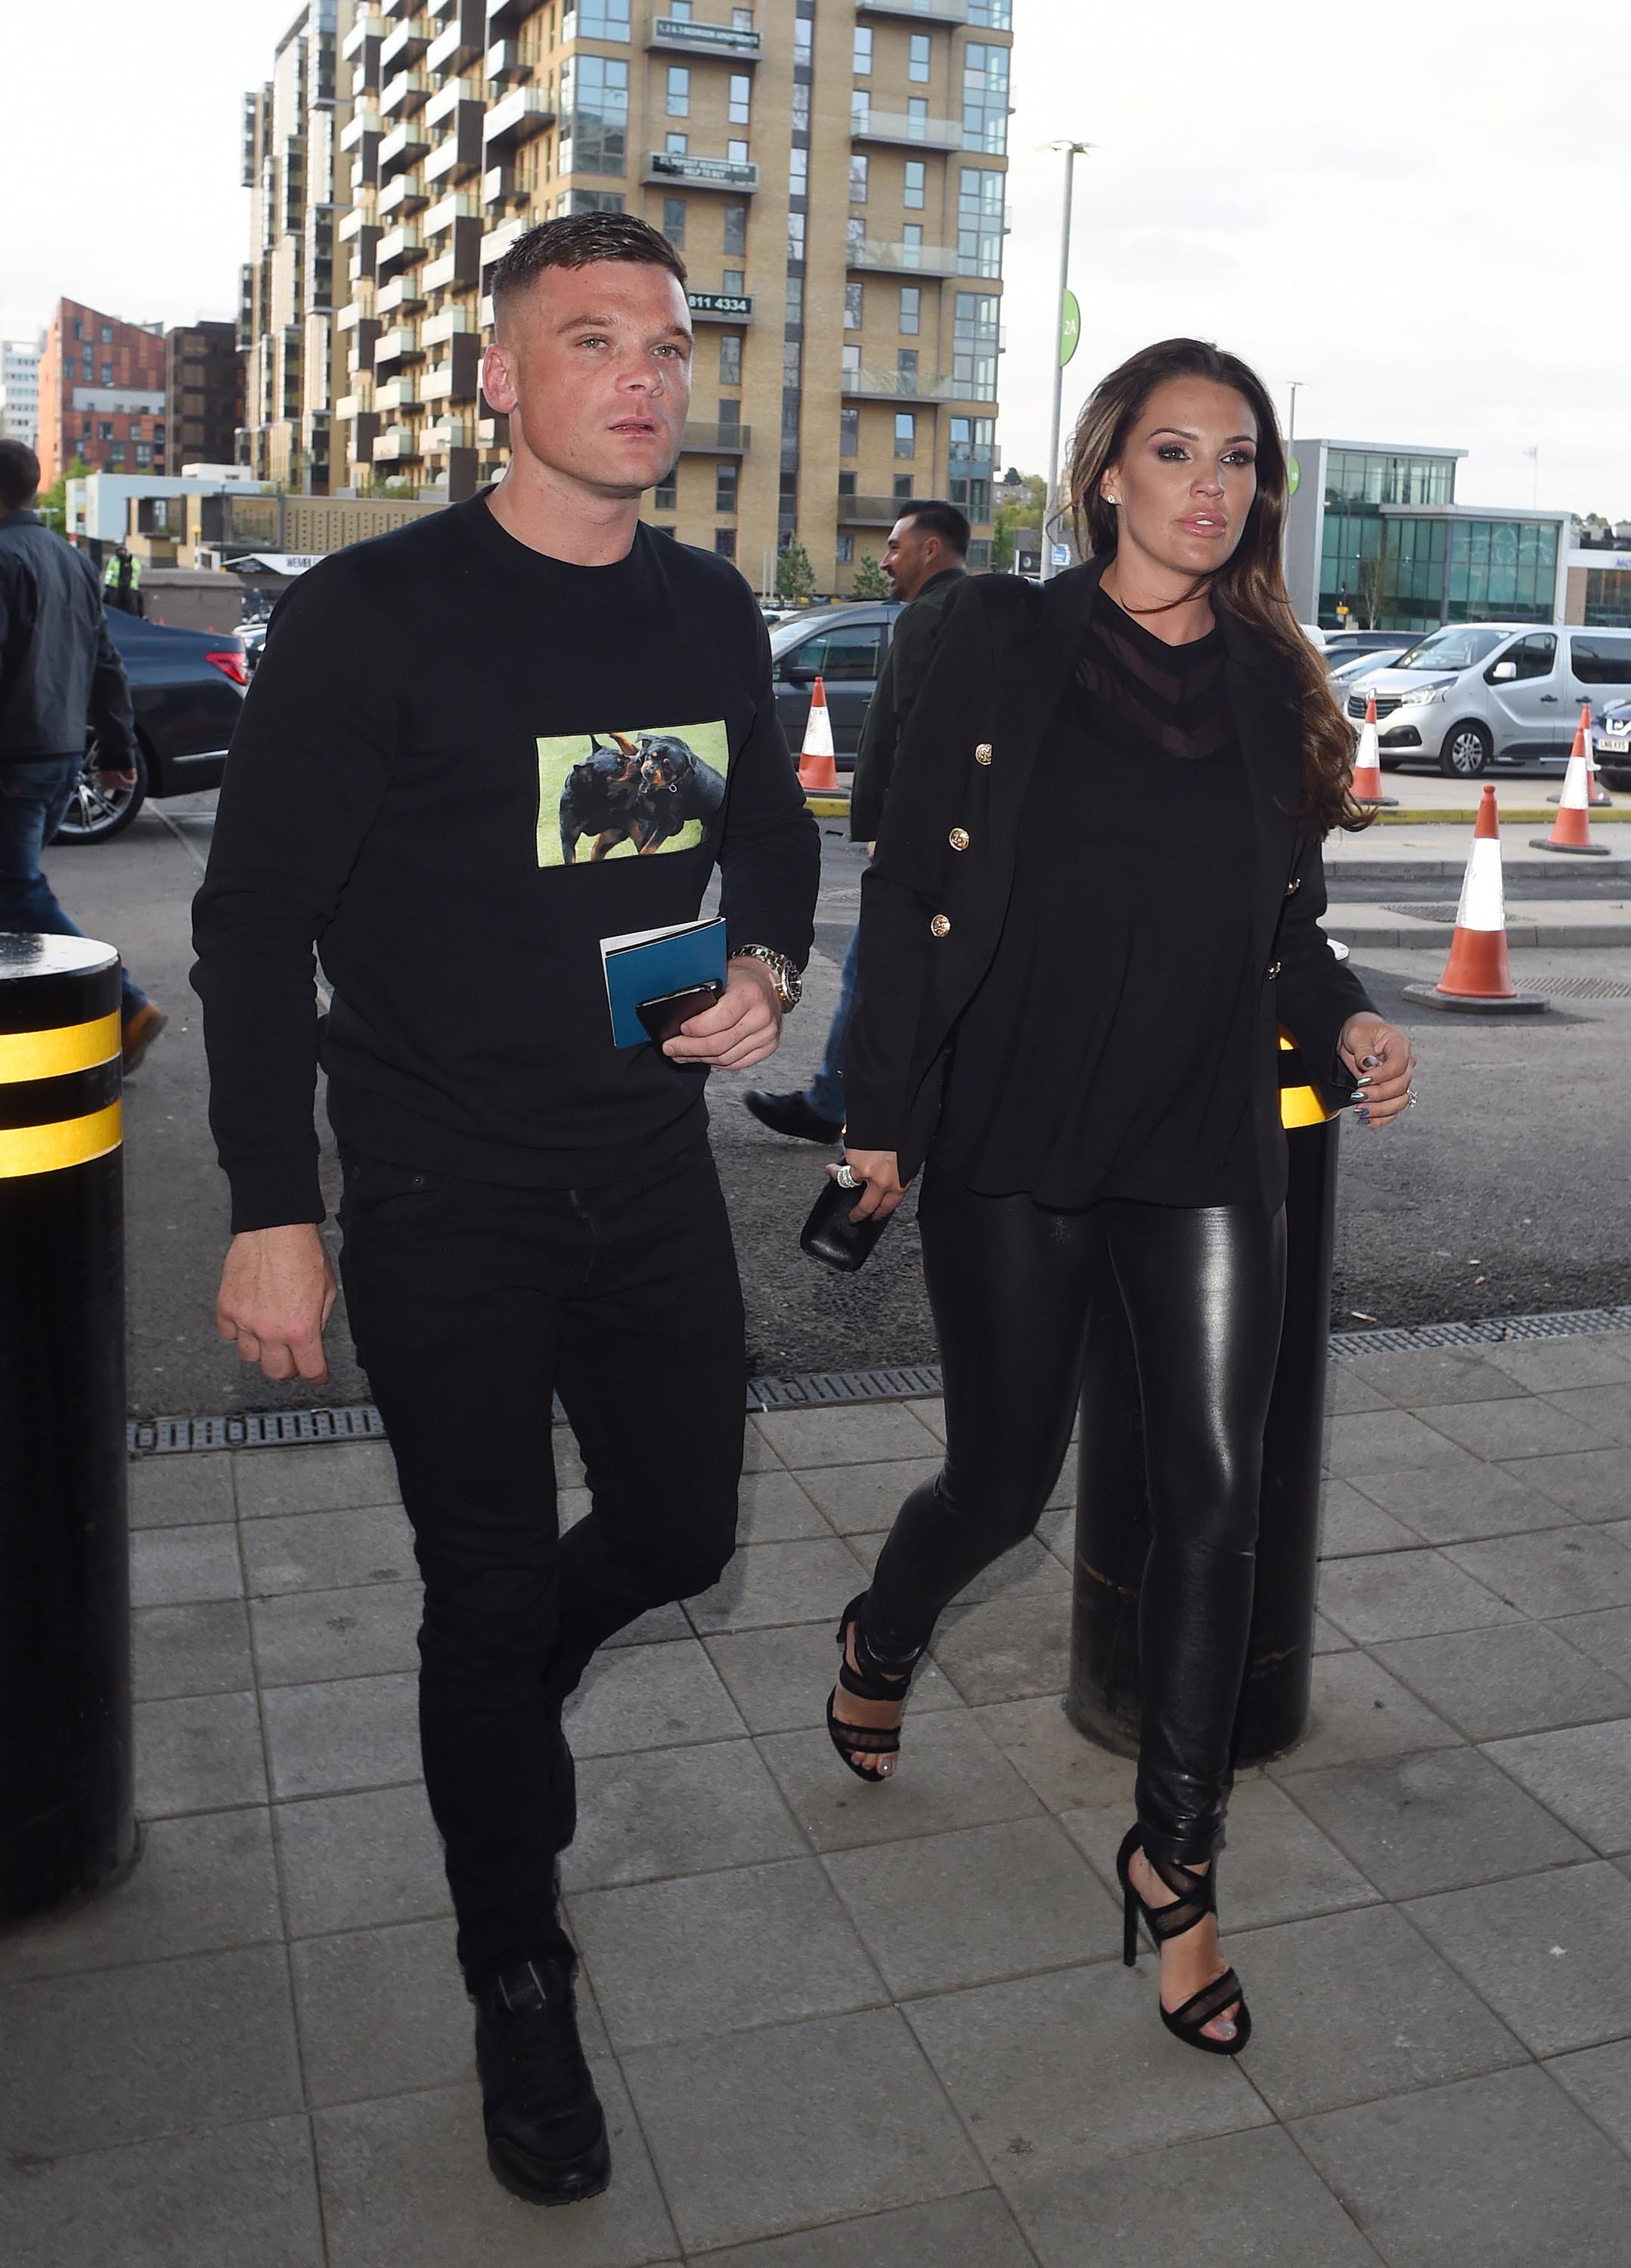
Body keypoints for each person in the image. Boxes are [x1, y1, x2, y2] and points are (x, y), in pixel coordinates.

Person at [191, 214, 819, 2206]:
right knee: (476, 1597)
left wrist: (771, 971)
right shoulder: (376, 618)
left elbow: (772, 837)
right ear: (497, 380)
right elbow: (247, 925)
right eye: (586, 340)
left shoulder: (710, 611)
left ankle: (500, 1678)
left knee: (679, 1529)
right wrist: (270, 1210)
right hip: (443, 1193)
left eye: (663, 342)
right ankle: (514, 1968)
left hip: (644, 1176)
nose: (640, 375)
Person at [829, 339, 1417, 2056]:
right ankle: (882, 1625)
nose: (1210, 484)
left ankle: (1176, 1862)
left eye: (1239, 459)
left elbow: (1282, 931)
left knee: (1215, 1501)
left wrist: (1351, 1013)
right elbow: (904, 875)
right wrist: (880, 1118)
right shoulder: (1003, 636)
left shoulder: (1264, 679)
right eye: (1176, 450)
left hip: (1198, 1142)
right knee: (1005, 1485)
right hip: (1012, 1131)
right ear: (1107, 474)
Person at [743, 500, 968, 1145]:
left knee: (872, 971)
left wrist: (888, 827)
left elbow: (912, 732)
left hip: (920, 840)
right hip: (951, 835)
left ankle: (832, 1103)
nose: (885, 559)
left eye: (895, 546)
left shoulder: (930, 615)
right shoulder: (969, 612)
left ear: (930, 549)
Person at [0, 438, 166, 1068]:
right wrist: (115, 747)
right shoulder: (69, 562)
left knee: (18, 893)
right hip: (60, 753)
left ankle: (125, 1006)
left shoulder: (4, 558)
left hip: (13, 757)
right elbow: (105, 661)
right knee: (13, 897)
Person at [101, 543, 142, 615]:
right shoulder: (113, 561)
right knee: (104, 597)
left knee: (139, 598)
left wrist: (131, 578)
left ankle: (141, 615)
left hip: (130, 586)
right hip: (115, 585)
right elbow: (109, 572)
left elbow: (137, 571)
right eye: (120, 550)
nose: (121, 552)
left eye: (123, 550)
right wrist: (107, 583)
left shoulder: (132, 560)